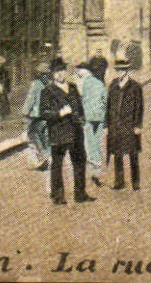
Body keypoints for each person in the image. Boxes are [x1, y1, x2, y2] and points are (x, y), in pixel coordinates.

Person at [39, 57, 93, 204]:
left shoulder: (73, 87)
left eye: (62, 71)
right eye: (56, 72)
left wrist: (81, 118)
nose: (60, 74)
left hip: (76, 131)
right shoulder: (47, 91)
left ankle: (80, 194)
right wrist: (59, 113)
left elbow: (79, 106)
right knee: (57, 165)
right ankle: (58, 196)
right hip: (58, 132)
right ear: (52, 74)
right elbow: (43, 113)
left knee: (80, 162)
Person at [106, 55, 145, 191]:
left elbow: (139, 107)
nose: (120, 73)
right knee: (117, 154)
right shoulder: (113, 85)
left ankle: (135, 181)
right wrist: (107, 124)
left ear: (127, 71)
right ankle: (119, 181)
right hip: (116, 125)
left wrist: (138, 125)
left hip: (129, 125)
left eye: (122, 70)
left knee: (133, 154)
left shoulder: (135, 87)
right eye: (118, 70)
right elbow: (108, 105)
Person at [78, 60, 108, 187]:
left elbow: (83, 99)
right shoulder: (101, 83)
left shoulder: (86, 83)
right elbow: (105, 100)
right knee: (97, 141)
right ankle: (98, 167)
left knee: (90, 142)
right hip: (99, 117)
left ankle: (94, 167)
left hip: (89, 116)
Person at [21, 61, 51, 170]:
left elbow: (30, 99)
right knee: (44, 136)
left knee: (33, 134)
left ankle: (43, 157)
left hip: (37, 115)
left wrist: (25, 112)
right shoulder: (49, 83)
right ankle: (47, 156)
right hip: (47, 114)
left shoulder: (36, 84)